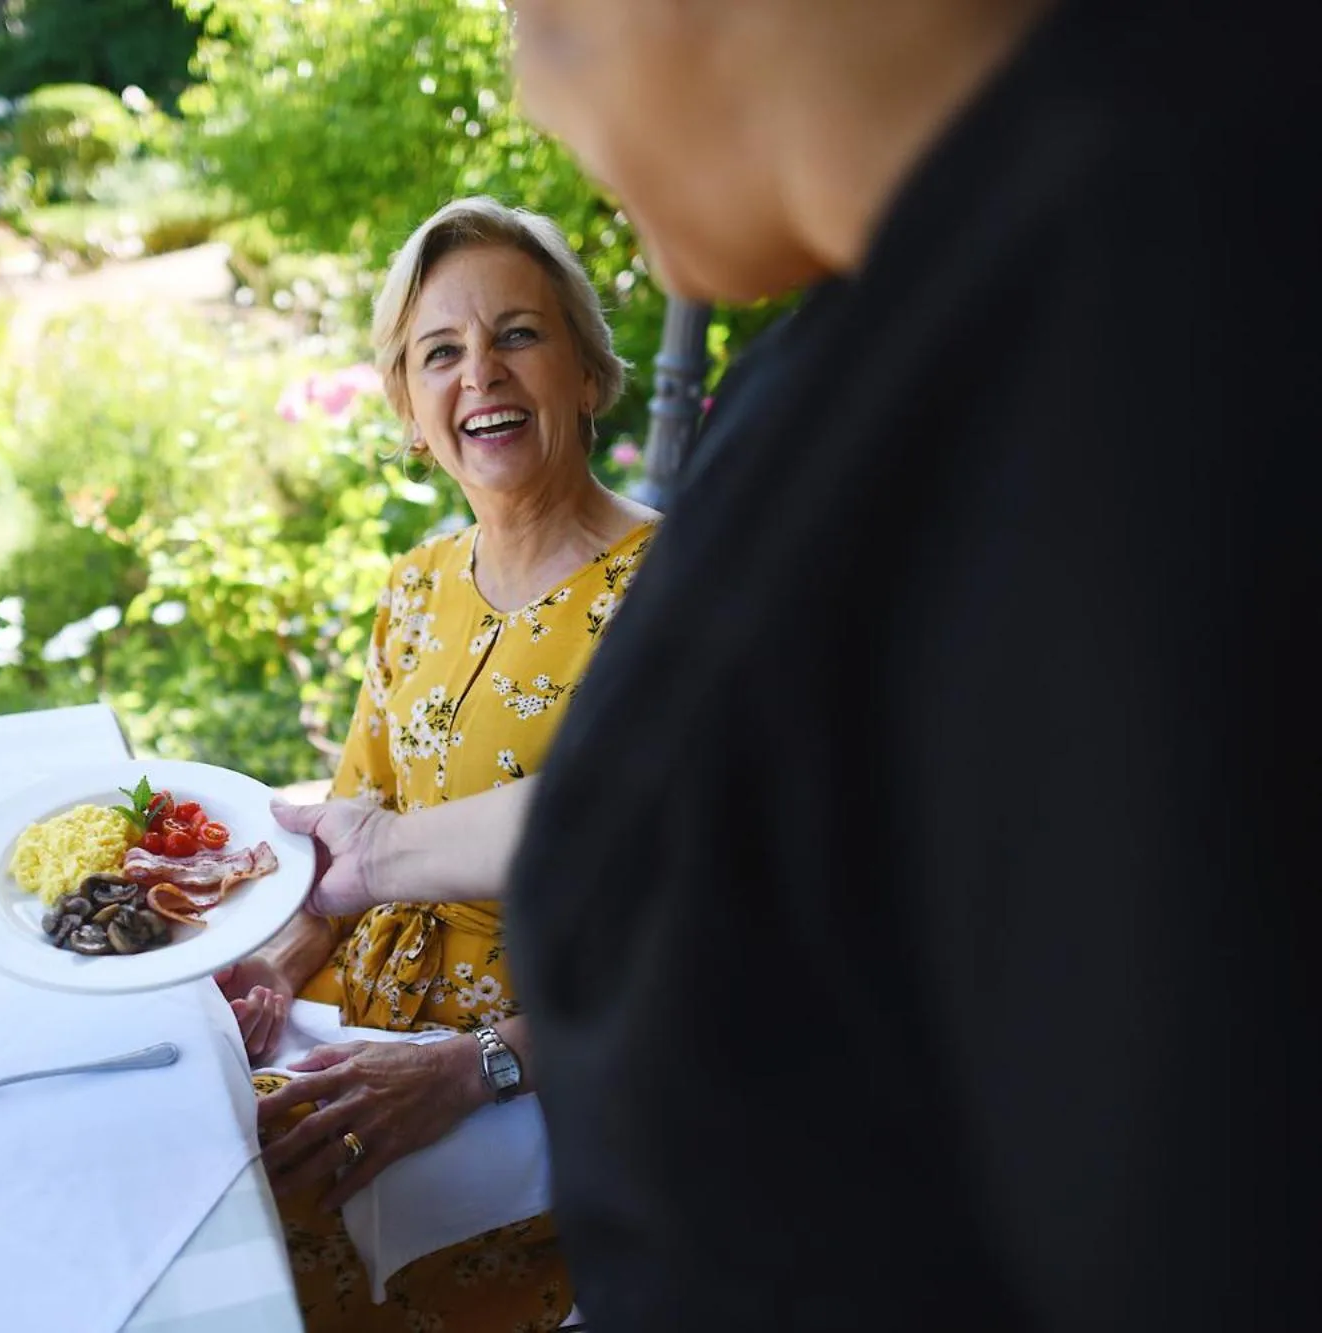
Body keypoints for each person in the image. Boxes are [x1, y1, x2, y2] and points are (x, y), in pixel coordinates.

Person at [274, 0, 1322, 1327]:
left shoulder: (1151, 362)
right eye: (436, 352)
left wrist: (470, 1053)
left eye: (544, 12)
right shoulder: (908, 338)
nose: (535, 83)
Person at [221, 195, 656, 1331]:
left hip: (550, 1066)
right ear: (411, 412)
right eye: (440, 354)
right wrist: (274, 962)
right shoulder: (415, 586)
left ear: (584, 371)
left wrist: (472, 1068)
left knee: (275, 1212)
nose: (482, 376)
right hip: (361, 1008)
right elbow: (350, 836)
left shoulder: (672, 597)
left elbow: (709, 938)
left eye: (518, 334)